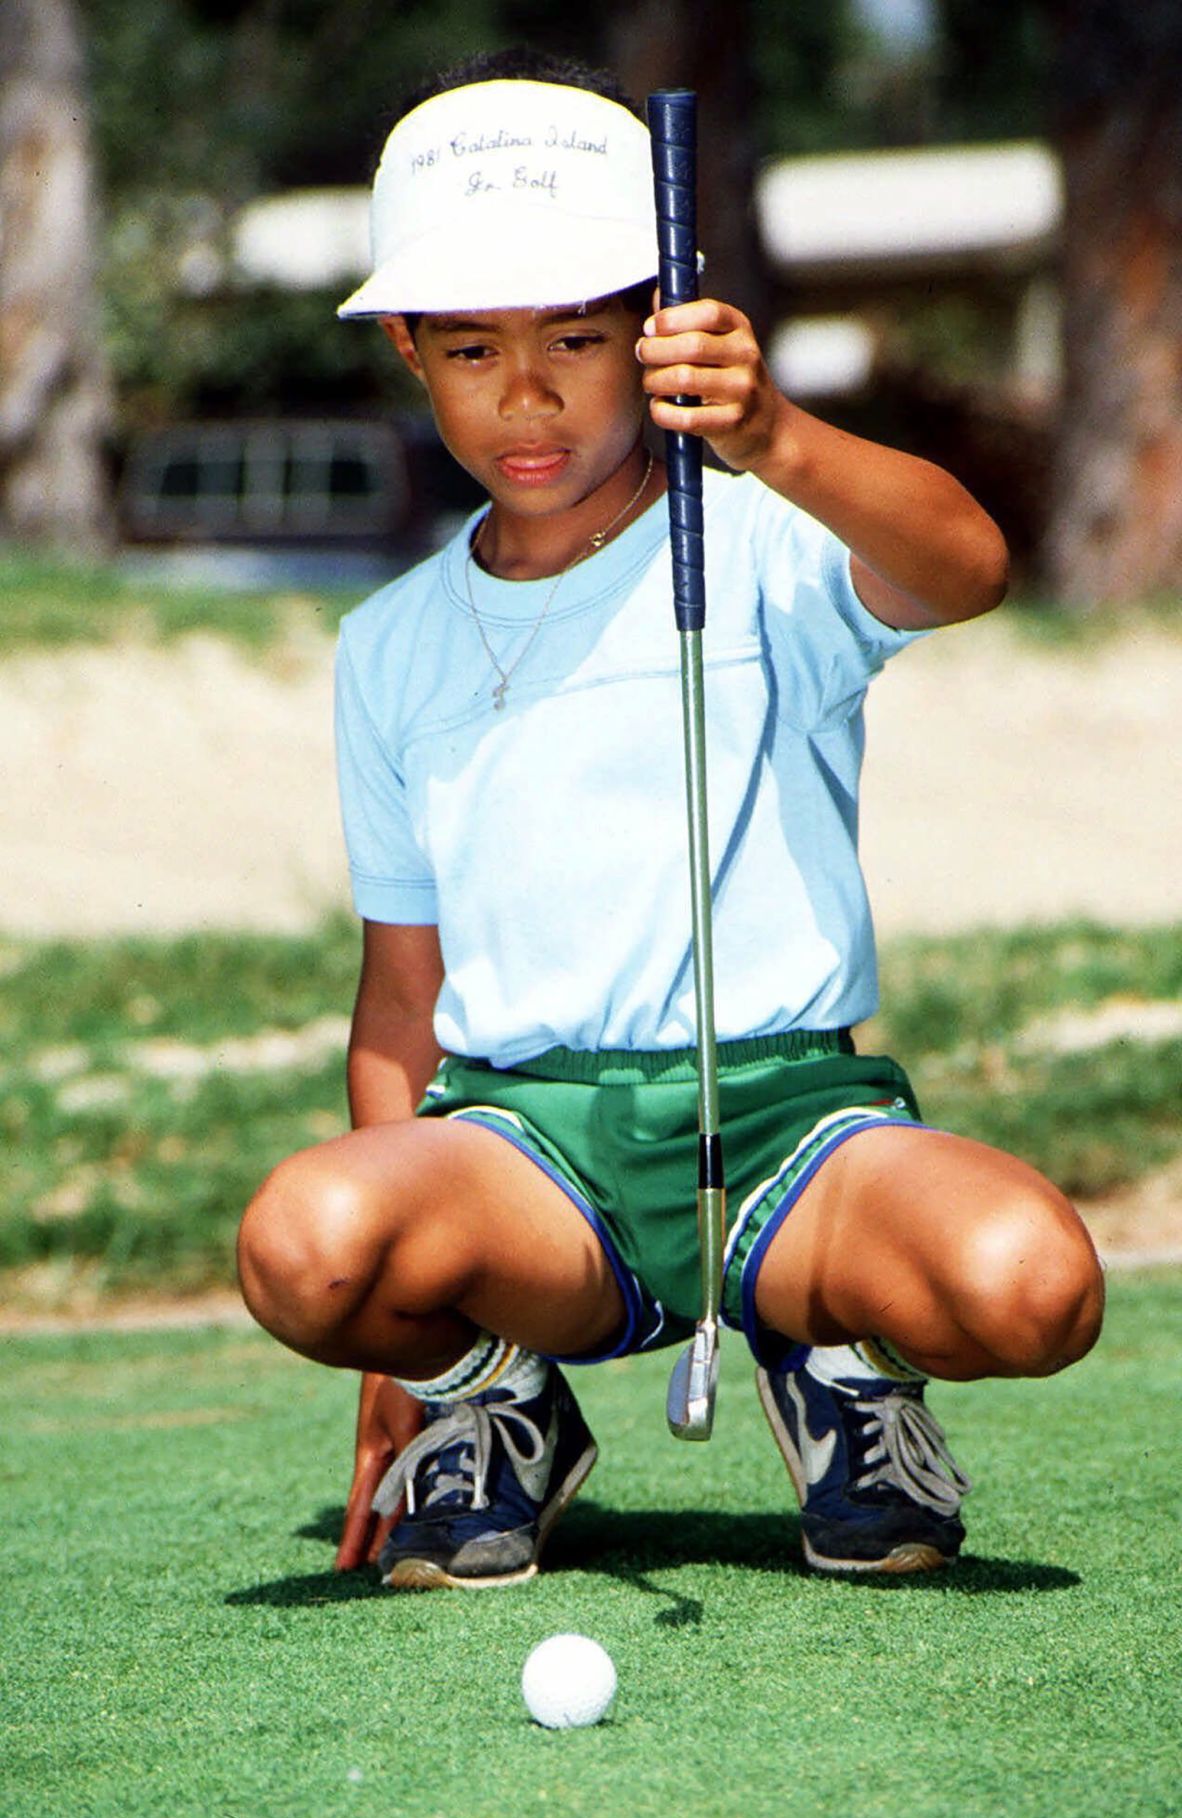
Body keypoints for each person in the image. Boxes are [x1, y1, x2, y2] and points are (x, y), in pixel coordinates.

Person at [237, 49, 1104, 1589]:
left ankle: (833, 1368)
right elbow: (400, 992)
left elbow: (968, 565)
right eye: (469, 347)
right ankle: (495, 1404)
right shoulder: (389, 644)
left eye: (578, 333)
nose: (526, 391)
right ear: (407, 360)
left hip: (792, 1137)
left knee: (1031, 1287)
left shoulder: (765, 538)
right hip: (531, 1160)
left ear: (660, 325)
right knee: (304, 1244)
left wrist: (770, 433)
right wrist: (399, 1362)